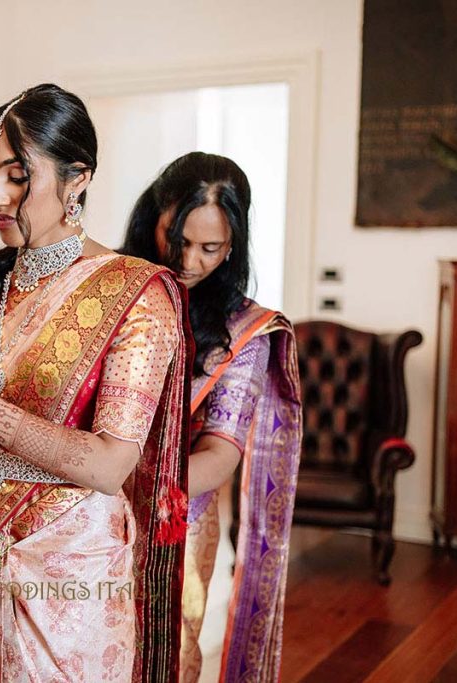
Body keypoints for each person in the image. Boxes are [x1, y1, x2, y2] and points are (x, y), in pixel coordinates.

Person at [0, 84, 192, 682]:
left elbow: (108, 467)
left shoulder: (135, 294)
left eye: (18, 176)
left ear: (77, 178)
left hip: (65, 568)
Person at [120, 152, 303, 682]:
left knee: (165, 656)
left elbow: (221, 453)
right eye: (177, 240)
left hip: (174, 513)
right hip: (80, 508)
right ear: (153, 217)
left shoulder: (240, 332)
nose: (190, 262)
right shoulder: (109, 286)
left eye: (210, 248)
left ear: (233, 246)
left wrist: (120, 476)